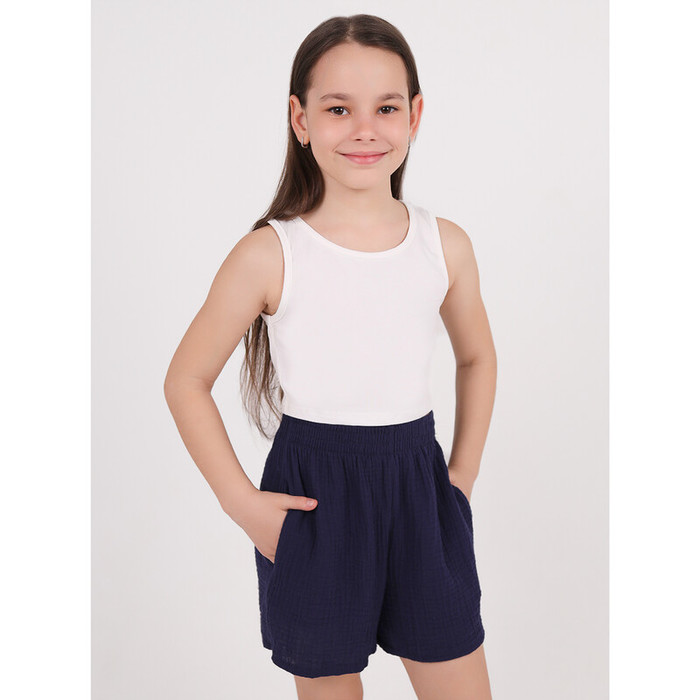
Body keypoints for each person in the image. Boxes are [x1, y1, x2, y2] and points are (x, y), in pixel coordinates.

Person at [164, 14, 496, 700]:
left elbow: (478, 359)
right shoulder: (270, 253)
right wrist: (242, 504)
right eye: (339, 109)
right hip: (315, 497)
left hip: (419, 485)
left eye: (386, 108)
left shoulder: (445, 245)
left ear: (415, 116)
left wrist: (459, 479)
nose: (364, 129)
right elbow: (186, 380)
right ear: (301, 119)